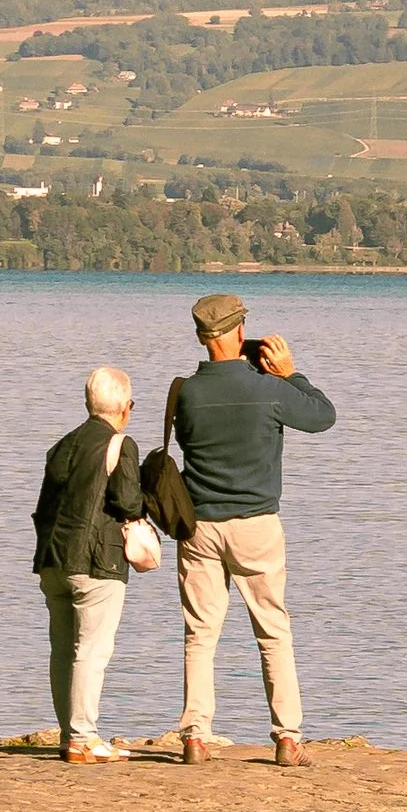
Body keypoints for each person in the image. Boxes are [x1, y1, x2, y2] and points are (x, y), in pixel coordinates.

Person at [166, 291, 337, 766]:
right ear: (241, 334)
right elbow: (323, 416)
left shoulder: (185, 392)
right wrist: (290, 373)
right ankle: (286, 738)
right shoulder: (269, 388)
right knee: (273, 631)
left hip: (197, 524)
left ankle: (195, 736)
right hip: (256, 522)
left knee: (200, 633)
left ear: (203, 337)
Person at [30, 362, 152, 763]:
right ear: (125, 407)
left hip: (53, 559)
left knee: (62, 650)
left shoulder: (62, 445)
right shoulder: (122, 445)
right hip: (97, 563)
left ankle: (70, 734)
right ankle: (84, 738)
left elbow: (46, 505)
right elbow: (128, 502)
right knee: (92, 651)